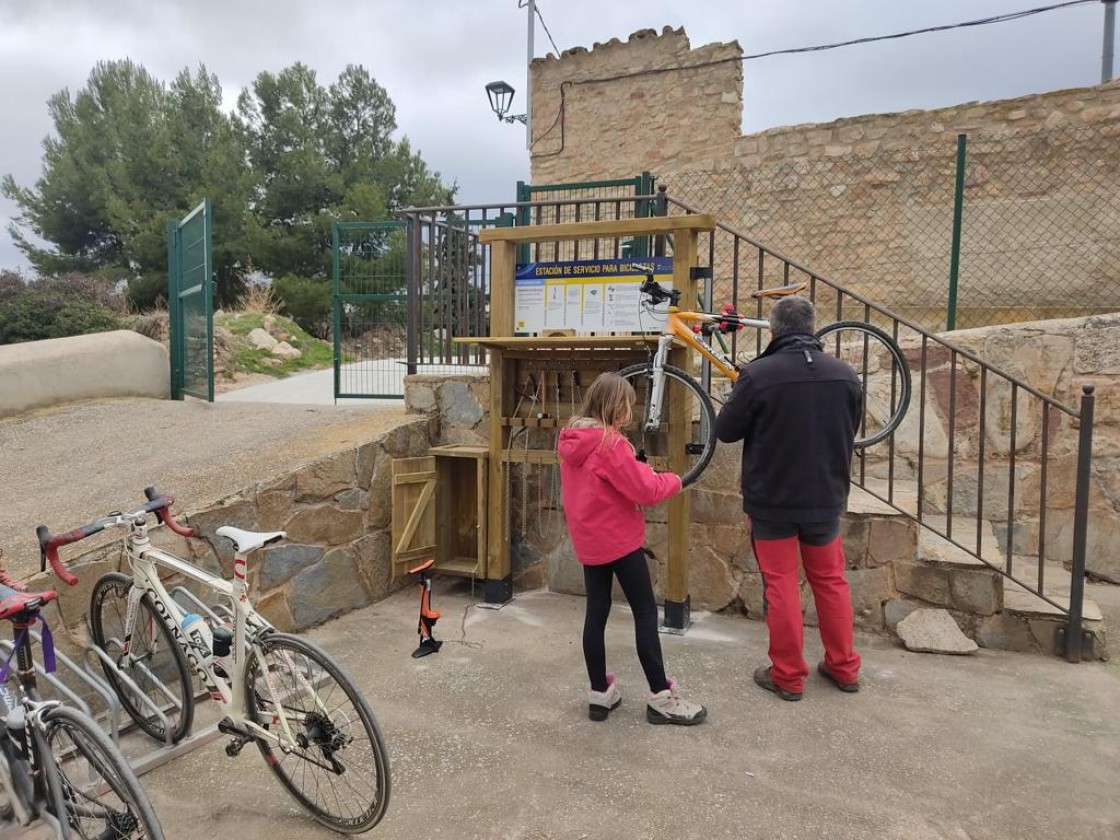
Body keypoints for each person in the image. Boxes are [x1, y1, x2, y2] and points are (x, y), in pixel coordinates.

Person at [714, 295, 863, 701]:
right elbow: (852, 426)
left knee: (780, 586)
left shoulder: (759, 375)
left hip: (773, 503)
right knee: (831, 583)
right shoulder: (846, 375)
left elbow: (726, 430)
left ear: (774, 330)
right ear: (813, 328)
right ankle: (844, 667)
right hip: (825, 499)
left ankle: (788, 676)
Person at [558, 372, 707, 726]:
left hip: (589, 541)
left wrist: (638, 470)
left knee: (597, 614)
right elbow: (646, 491)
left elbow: (604, 483)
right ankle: (660, 696)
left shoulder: (572, 437)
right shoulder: (612, 444)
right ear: (615, 406)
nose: (631, 411)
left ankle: (599, 693)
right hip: (620, 542)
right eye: (628, 404)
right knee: (644, 613)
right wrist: (673, 480)